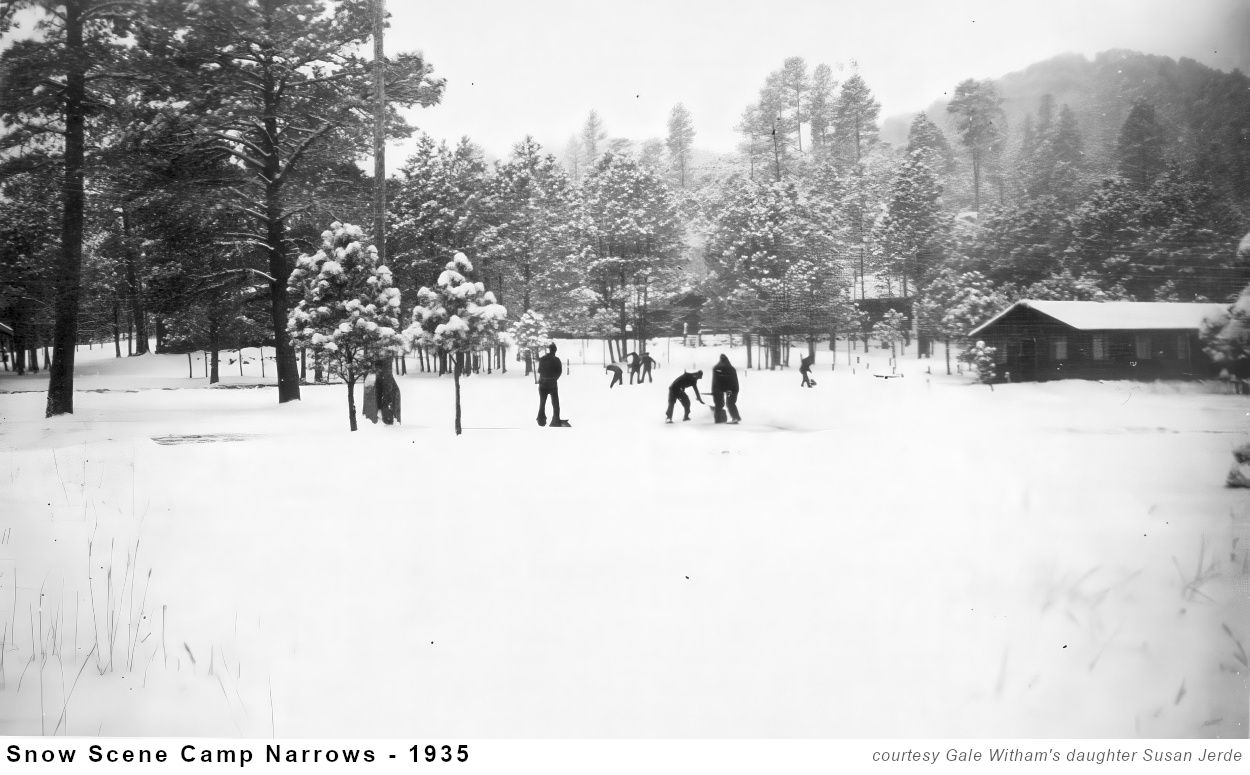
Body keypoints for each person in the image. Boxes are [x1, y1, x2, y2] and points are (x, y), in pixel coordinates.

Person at [536, 344, 569, 427]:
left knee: (542, 403)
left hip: (542, 385)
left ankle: (541, 420)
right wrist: (554, 378)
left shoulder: (542, 359)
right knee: (555, 403)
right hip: (552, 385)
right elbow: (559, 372)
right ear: (555, 350)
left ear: (549, 350)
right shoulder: (557, 360)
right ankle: (555, 420)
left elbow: (539, 371)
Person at [710, 354, 741, 424]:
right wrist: (715, 391)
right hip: (723, 388)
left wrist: (728, 390)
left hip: (731, 388)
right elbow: (715, 381)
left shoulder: (727, 369)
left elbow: (732, 381)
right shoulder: (720, 368)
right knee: (723, 403)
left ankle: (734, 418)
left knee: (729, 403)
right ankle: (720, 419)